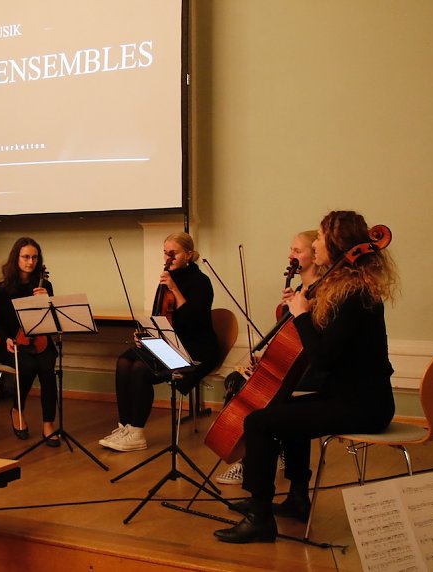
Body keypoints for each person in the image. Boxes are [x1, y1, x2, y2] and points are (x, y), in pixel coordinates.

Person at [214, 210, 398, 544]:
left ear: (336, 244)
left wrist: (299, 316)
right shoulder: (345, 288)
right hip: (351, 396)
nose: (314, 243)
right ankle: (297, 498)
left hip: (363, 406)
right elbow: (328, 349)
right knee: (285, 405)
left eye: (320, 238)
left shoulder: (353, 295)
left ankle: (259, 516)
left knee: (259, 422)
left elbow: (323, 359)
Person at [215, 230, 322, 485]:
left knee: (254, 392)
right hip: (295, 365)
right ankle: (253, 457)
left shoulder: (322, 294)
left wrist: (300, 313)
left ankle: (254, 460)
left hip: (311, 370)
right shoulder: (298, 291)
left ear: (315, 256)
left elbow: (312, 344)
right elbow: (288, 342)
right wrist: (267, 359)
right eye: (291, 250)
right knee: (236, 379)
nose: (291, 256)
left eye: (298, 251)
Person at [98, 232, 220, 452]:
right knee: (125, 361)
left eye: (173, 253)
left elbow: (196, 321)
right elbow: (159, 317)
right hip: (171, 344)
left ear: (189, 255)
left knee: (140, 370)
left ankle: (137, 432)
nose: (168, 258)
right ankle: (125, 426)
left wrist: (174, 288)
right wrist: (145, 336)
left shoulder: (201, 282)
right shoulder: (166, 279)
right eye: (165, 253)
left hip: (196, 348)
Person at [0, 237, 59, 446]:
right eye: (26, 257)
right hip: (13, 342)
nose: (30, 262)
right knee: (28, 366)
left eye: (34, 257)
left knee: (47, 369)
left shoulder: (44, 285)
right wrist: (7, 339)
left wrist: (47, 300)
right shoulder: (3, 288)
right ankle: (16, 409)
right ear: (16, 258)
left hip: (41, 341)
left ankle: (48, 423)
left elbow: (52, 320)